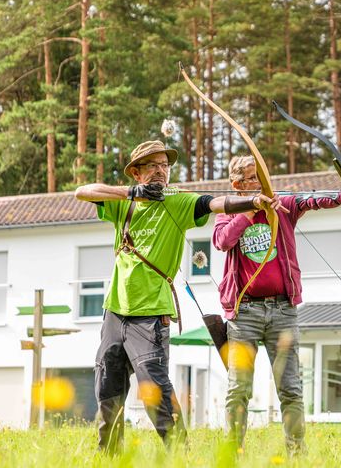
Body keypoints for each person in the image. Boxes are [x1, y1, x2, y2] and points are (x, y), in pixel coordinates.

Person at [75, 140, 286, 453]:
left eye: (165, 165)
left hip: (151, 312)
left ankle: (180, 455)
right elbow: (83, 191)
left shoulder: (178, 202)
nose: (161, 171)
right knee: (107, 387)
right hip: (114, 311)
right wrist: (131, 193)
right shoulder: (125, 202)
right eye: (152, 166)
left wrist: (254, 201)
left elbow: (215, 203)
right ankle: (108, 456)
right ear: (136, 172)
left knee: (156, 389)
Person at [213, 155, 341, 456]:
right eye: (253, 178)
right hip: (244, 314)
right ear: (237, 184)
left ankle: (296, 454)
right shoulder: (228, 210)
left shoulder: (281, 205)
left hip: (283, 310)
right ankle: (232, 452)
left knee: (290, 388)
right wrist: (249, 210)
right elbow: (221, 241)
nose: (261, 183)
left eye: (262, 176)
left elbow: (312, 201)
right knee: (238, 389)